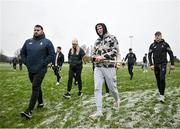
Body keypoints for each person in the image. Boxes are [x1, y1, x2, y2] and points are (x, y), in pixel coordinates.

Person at [20, 25, 55, 119]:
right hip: (30, 69)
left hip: (41, 69)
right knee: (37, 86)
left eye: (38, 30)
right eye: (34, 30)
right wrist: (25, 62)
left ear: (42, 31)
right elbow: (22, 53)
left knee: (35, 87)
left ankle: (29, 111)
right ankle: (40, 102)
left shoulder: (47, 42)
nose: (36, 31)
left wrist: (44, 63)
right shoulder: (28, 41)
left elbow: (52, 55)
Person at [90, 23, 120, 119]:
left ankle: (117, 100)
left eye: (100, 27)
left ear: (104, 28)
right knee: (97, 88)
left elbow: (115, 51)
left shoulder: (112, 38)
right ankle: (99, 111)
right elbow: (94, 53)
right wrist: (94, 58)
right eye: (97, 29)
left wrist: (103, 56)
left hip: (109, 67)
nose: (99, 30)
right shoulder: (97, 41)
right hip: (98, 67)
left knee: (112, 88)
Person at [148, 31, 175, 103]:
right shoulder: (152, 45)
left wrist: (172, 64)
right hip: (155, 65)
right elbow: (149, 55)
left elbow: (171, 54)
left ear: (161, 36)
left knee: (162, 78)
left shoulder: (165, 44)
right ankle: (161, 93)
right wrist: (151, 64)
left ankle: (162, 96)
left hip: (163, 64)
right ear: (155, 37)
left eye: (158, 35)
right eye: (156, 36)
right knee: (158, 80)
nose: (157, 37)